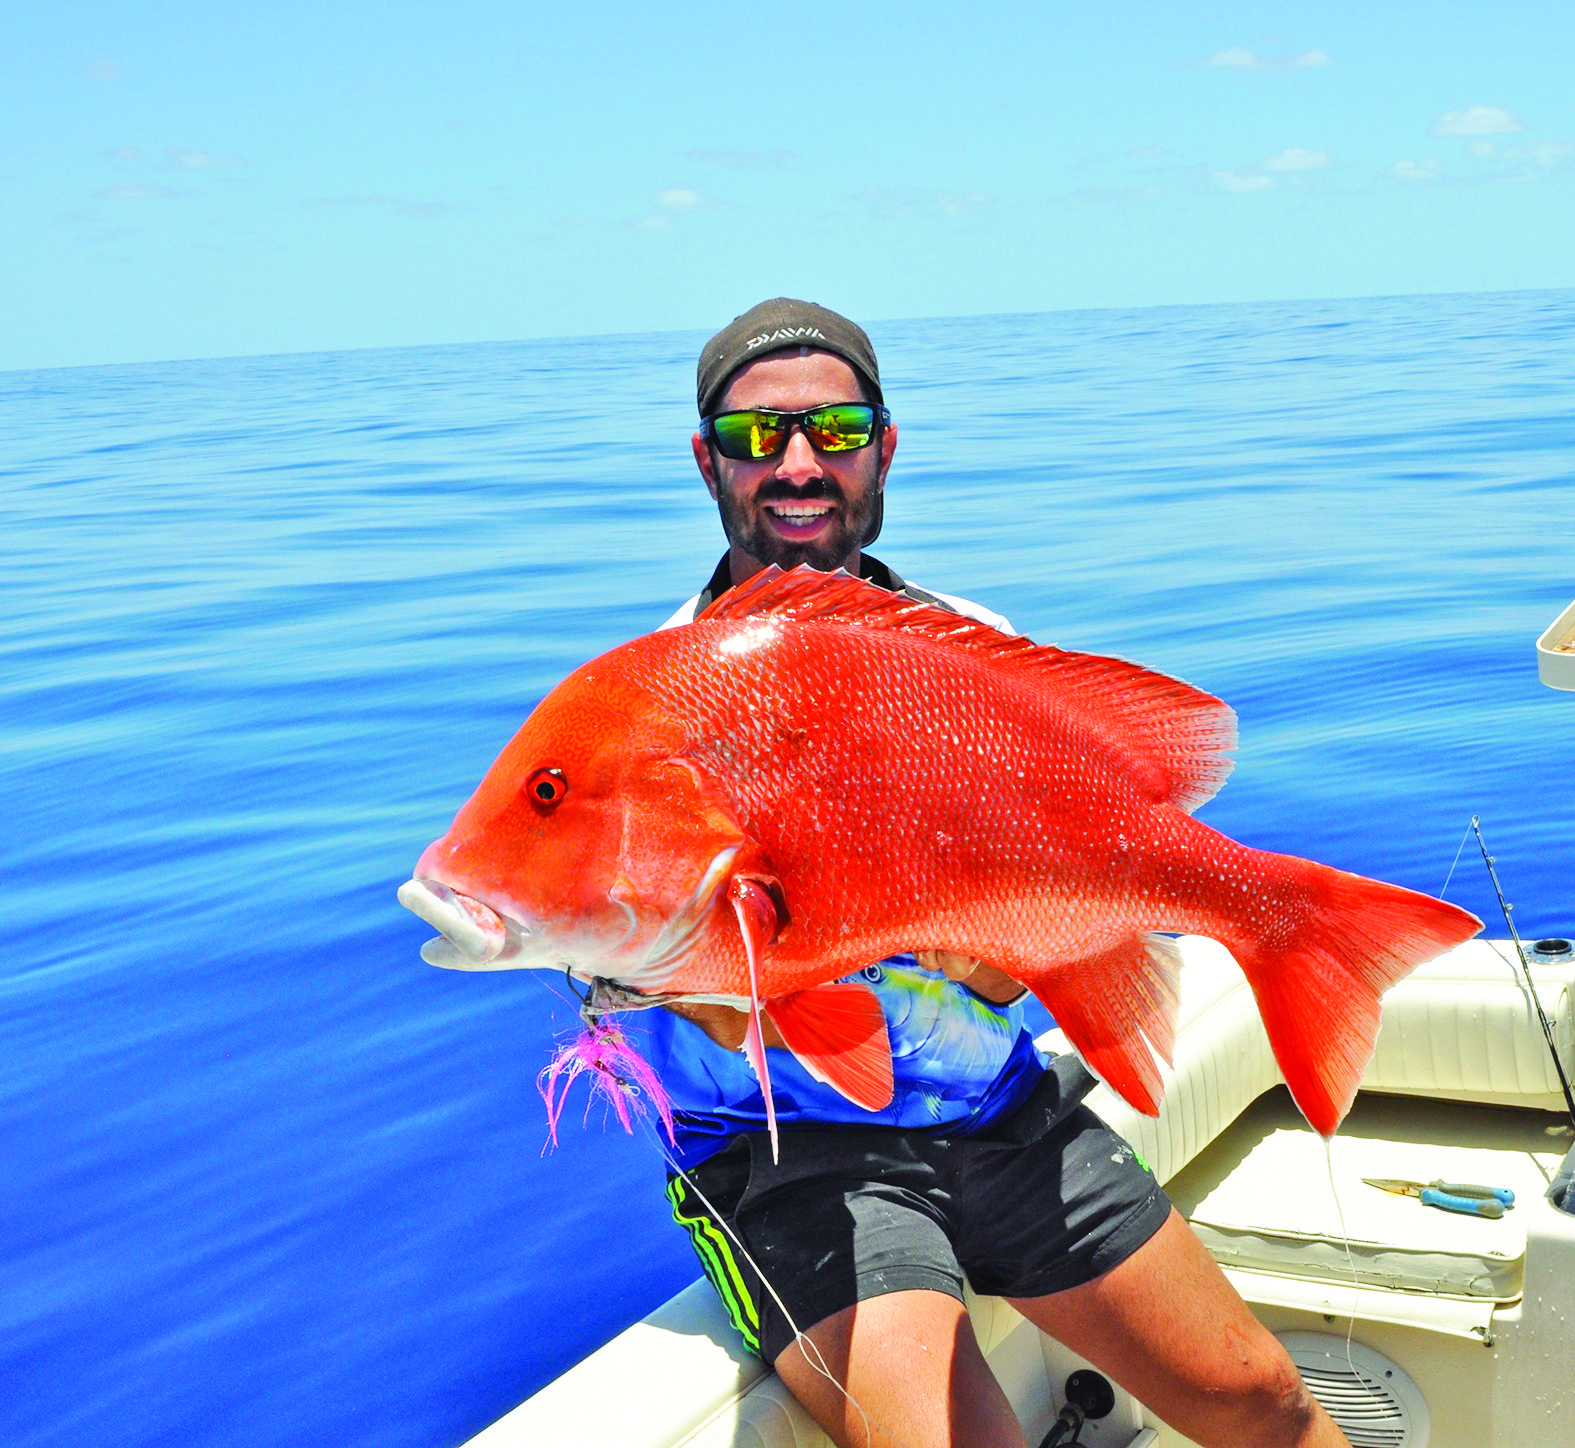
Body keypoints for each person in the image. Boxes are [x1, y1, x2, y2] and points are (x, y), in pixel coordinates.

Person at [636, 298, 1348, 1448]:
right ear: (707, 458)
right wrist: (713, 985)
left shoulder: (969, 642)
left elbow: (1045, 926)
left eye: (837, 425)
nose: (800, 463)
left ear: (887, 443)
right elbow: (613, 972)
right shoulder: (664, 695)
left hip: (996, 1112)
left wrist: (1017, 956)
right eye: (757, 435)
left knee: (1267, 1400)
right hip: (792, 1159)